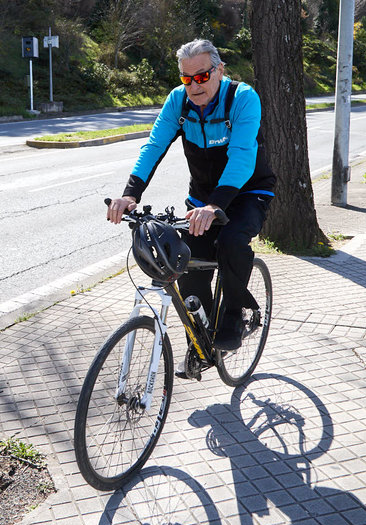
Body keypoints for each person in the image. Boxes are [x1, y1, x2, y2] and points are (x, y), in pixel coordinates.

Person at [106, 39, 276, 353]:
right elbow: (154, 147)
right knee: (184, 264)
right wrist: (130, 195)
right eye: (186, 78)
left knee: (231, 242)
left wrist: (216, 205)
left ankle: (234, 315)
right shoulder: (178, 102)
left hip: (248, 192)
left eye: (201, 76)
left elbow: (241, 156)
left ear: (219, 70)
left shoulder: (242, 98)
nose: (193, 85)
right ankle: (201, 336)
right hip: (201, 199)